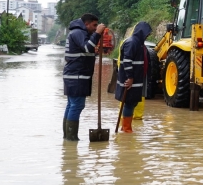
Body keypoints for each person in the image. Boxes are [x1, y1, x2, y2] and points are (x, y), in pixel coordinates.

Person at [63, 13, 105, 141]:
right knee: (76, 105)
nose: (95, 27)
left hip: (75, 75)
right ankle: (71, 138)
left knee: (72, 105)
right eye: (94, 25)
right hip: (77, 76)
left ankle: (68, 138)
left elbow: (84, 51)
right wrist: (97, 34)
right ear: (86, 24)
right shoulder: (78, 33)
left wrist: (94, 51)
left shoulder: (78, 33)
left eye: (96, 26)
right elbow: (87, 47)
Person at [114, 21, 152, 133]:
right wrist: (130, 77)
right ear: (142, 33)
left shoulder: (139, 43)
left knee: (133, 102)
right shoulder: (131, 43)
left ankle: (126, 127)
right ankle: (126, 129)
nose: (147, 36)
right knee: (129, 103)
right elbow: (127, 61)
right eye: (147, 34)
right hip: (130, 80)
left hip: (136, 79)